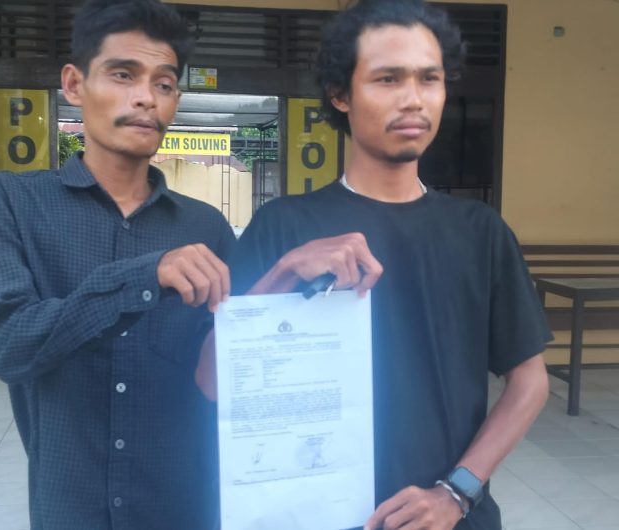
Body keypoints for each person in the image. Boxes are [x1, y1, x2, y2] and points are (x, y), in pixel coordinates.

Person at [196, 1, 551, 529]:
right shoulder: (282, 226)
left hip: (449, 517)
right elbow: (212, 382)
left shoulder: (481, 232)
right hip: (314, 517)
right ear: (341, 94)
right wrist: (285, 272)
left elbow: (530, 381)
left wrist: (457, 492)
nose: (413, 98)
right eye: (388, 78)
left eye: (429, 79)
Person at [0, 1, 235, 528]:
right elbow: (9, 346)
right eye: (123, 74)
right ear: (74, 84)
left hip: (180, 508)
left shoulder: (206, 229)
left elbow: (229, 366)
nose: (146, 97)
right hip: (70, 507)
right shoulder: (9, 203)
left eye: (164, 84)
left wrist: (292, 278)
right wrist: (143, 277)